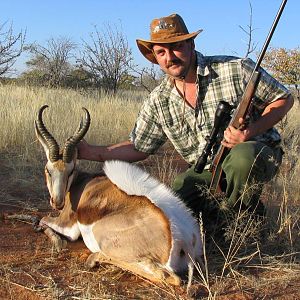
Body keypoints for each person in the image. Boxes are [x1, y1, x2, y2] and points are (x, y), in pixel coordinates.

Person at [78, 14, 294, 223]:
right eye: (161, 52)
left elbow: (284, 99)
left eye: (177, 47)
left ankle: (241, 223)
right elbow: (138, 148)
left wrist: (250, 132)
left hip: (258, 153)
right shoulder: (158, 100)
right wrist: (89, 152)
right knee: (172, 209)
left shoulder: (235, 69)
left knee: (242, 158)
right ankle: (216, 215)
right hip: (208, 168)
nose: (169, 57)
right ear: (155, 57)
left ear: (191, 44)